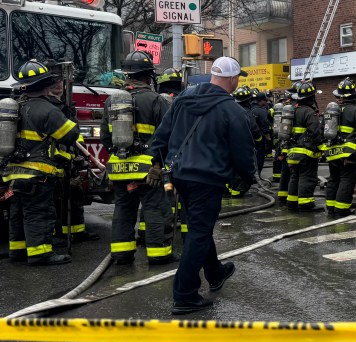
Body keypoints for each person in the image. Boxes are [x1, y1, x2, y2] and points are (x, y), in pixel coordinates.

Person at [149, 57, 257, 314]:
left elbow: (162, 135)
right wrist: (247, 176)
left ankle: (215, 272)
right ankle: (185, 294)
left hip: (180, 175)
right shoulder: (233, 111)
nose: (237, 82)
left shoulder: (183, 100)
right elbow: (243, 151)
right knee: (198, 232)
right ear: (232, 79)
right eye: (238, 78)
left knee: (199, 226)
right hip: (207, 179)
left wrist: (156, 161)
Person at [2, 60, 80, 266]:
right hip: (38, 173)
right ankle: (40, 253)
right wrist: (71, 115)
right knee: (39, 213)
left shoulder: (15, 106)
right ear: (45, 84)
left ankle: (17, 250)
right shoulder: (47, 109)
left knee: (18, 212)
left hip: (13, 173)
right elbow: (70, 135)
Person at [100, 50, 175, 266]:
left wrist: (118, 157)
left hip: (119, 169)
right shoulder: (156, 100)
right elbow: (166, 136)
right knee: (155, 210)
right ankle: (159, 255)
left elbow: (105, 137)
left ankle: (122, 255)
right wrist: (160, 165)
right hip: (148, 170)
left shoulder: (111, 102)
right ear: (148, 76)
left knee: (123, 210)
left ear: (127, 76)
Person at [43, 62, 98, 246]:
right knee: (53, 199)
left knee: (74, 194)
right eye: (53, 82)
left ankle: (76, 231)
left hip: (69, 157)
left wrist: (80, 155)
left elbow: (76, 133)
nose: (58, 85)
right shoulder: (46, 106)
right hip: (52, 160)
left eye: (60, 81)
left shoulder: (65, 105)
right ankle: (53, 236)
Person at [323, 77, 356, 216]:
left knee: (333, 179)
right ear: (353, 96)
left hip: (332, 152)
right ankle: (342, 209)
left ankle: (331, 207)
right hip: (348, 154)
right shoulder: (355, 112)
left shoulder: (331, 112)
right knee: (346, 180)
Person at [284, 80, 323, 212]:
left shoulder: (294, 110)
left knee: (294, 177)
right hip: (306, 153)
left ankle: (292, 203)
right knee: (307, 177)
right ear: (312, 97)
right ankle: (306, 204)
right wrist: (321, 146)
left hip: (292, 151)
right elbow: (316, 132)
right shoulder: (309, 112)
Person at [252, 91, 272, 178]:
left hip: (250, 137)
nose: (267, 102)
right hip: (260, 137)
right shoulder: (262, 111)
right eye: (265, 100)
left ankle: (251, 174)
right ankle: (257, 175)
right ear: (261, 101)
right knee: (259, 157)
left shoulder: (250, 109)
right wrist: (268, 137)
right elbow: (264, 124)